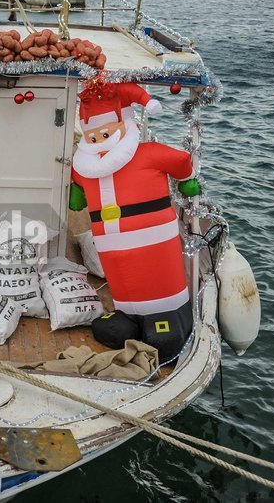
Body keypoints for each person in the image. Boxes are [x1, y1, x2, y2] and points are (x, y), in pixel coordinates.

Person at [69, 80, 200, 362]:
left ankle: (168, 316)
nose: (99, 142)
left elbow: (179, 160)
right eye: (92, 137)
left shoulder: (148, 154)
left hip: (154, 248)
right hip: (113, 251)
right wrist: (77, 192)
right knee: (124, 283)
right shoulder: (85, 168)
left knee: (158, 302)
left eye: (105, 133)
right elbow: (78, 180)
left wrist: (187, 181)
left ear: (125, 125)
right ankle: (128, 314)